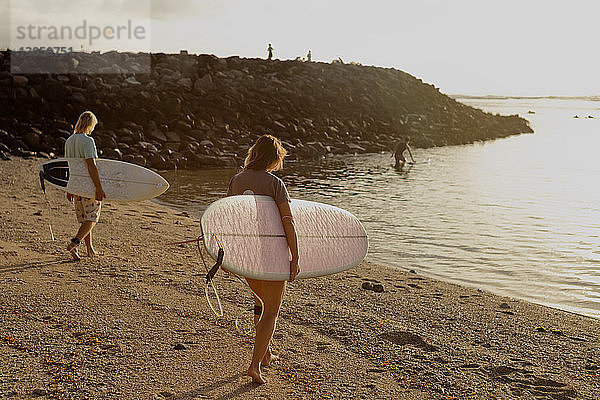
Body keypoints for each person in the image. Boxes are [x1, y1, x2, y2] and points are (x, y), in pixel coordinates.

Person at [226, 134, 299, 384]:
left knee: (259, 304)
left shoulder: (236, 181)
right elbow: (288, 221)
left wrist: (225, 256)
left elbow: (227, 219)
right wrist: (295, 256)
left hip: (247, 254)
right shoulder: (275, 183)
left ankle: (265, 353)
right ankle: (255, 365)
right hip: (272, 254)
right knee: (271, 311)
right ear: (275, 158)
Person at [64, 111, 106, 260]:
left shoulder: (69, 140)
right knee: (92, 218)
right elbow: (91, 165)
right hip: (88, 186)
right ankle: (74, 243)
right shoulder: (88, 141)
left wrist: (69, 187)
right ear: (90, 124)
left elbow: (69, 166)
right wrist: (99, 188)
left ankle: (90, 249)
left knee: (85, 219)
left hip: (76, 185)